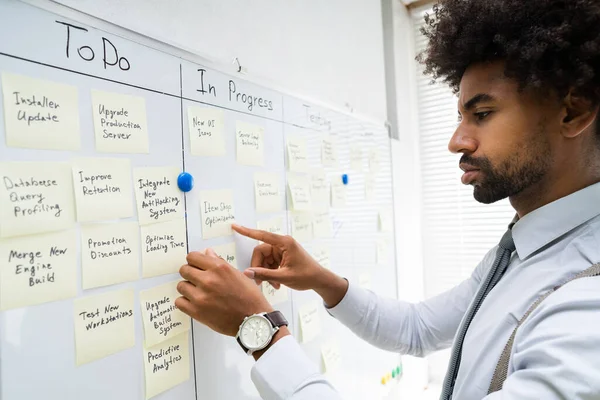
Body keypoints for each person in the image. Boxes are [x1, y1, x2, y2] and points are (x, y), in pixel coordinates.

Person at [175, 0, 600, 398]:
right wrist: (322, 280)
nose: (456, 141)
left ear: (573, 112)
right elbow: (417, 329)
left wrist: (260, 329)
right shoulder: (519, 253)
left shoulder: (587, 307)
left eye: (482, 114)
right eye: (460, 117)